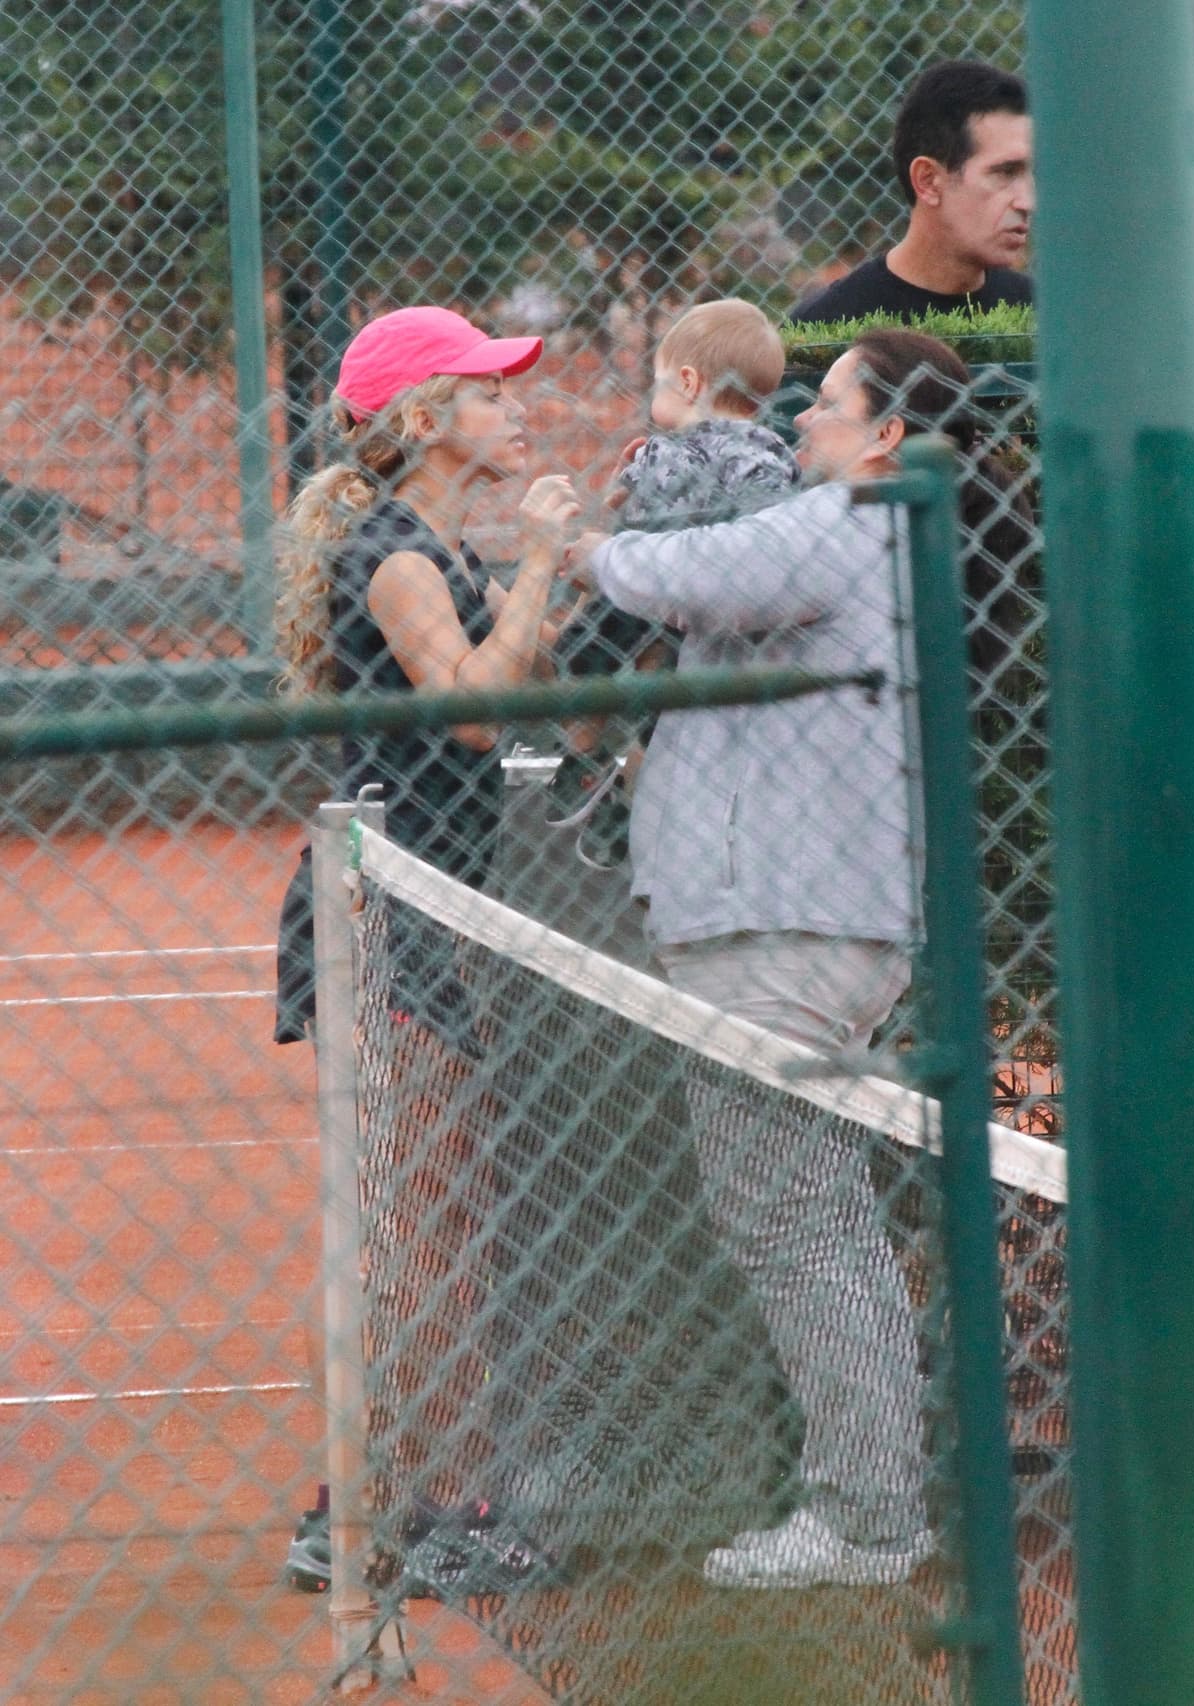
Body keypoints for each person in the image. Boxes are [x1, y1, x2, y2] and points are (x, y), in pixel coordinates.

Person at [568, 327, 1031, 1590]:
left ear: (885, 434)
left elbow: (697, 570)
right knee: (812, 1218)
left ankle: (868, 1517)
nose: (796, 424)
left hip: (784, 925)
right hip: (780, 916)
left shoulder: (850, 522)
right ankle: (873, 1501)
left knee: (792, 1221)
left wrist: (575, 544)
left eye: (822, 404)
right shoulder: (854, 528)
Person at [272, 303, 579, 1594]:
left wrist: (546, 580)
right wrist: (551, 560)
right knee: (427, 1223)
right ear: (426, 421)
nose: (517, 409)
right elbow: (467, 712)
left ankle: (383, 1495)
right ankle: (410, 1503)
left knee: (441, 1221)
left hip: (436, 908)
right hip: (386, 917)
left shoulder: (437, 544)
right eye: (491, 392)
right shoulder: (398, 554)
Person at [545, 298, 800, 869]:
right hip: (679, 589)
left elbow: (622, 508)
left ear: (688, 381)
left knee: (585, 657)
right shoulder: (748, 448)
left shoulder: (713, 449)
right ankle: (608, 778)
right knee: (644, 682)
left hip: (659, 587)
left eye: (658, 382)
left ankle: (588, 764)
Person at [791, 60, 1033, 324]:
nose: (1028, 202)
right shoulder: (828, 326)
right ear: (928, 181)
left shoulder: (1046, 320)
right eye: (1005, 173)